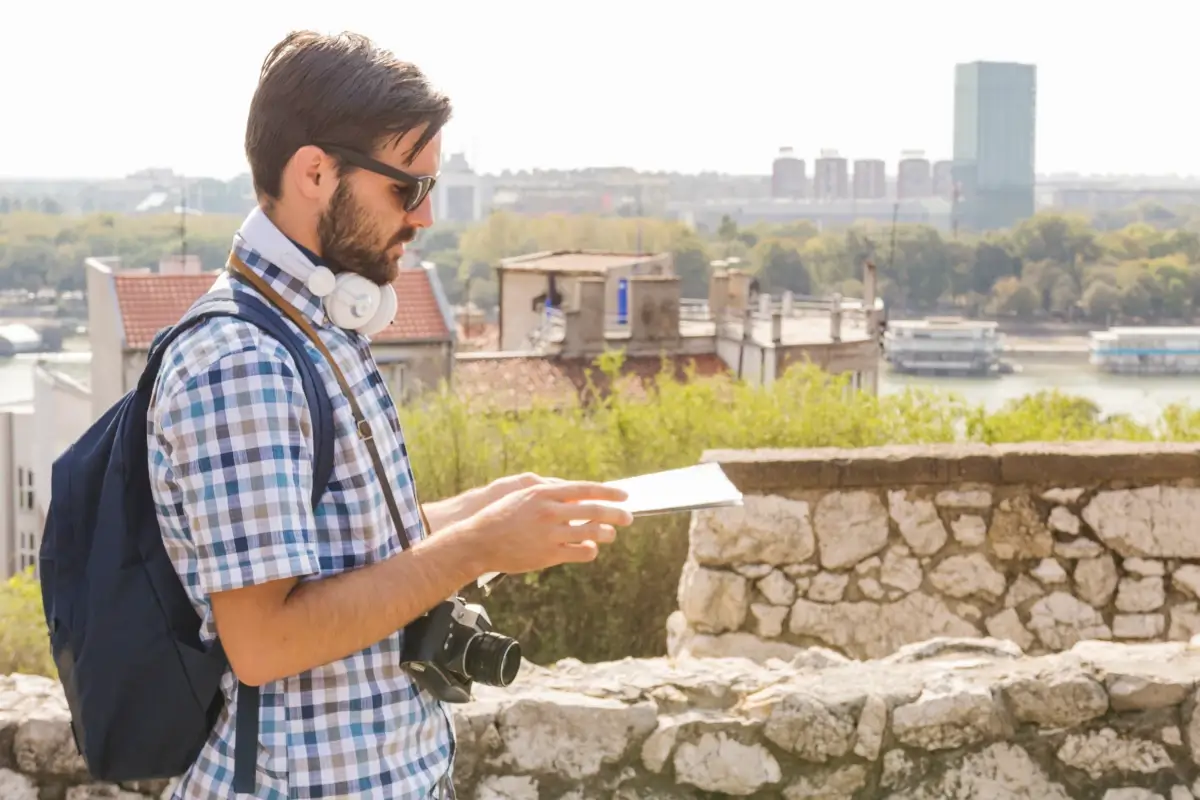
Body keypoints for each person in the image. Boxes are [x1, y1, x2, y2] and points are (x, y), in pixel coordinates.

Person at [146, 30, 633, 799]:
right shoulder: (243, 362)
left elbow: (338, 555)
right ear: (315, 171)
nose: (426, 216)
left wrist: (472, 516)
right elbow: (266, 640)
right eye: (406, 188)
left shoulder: (319, 324)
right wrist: (474, 548)